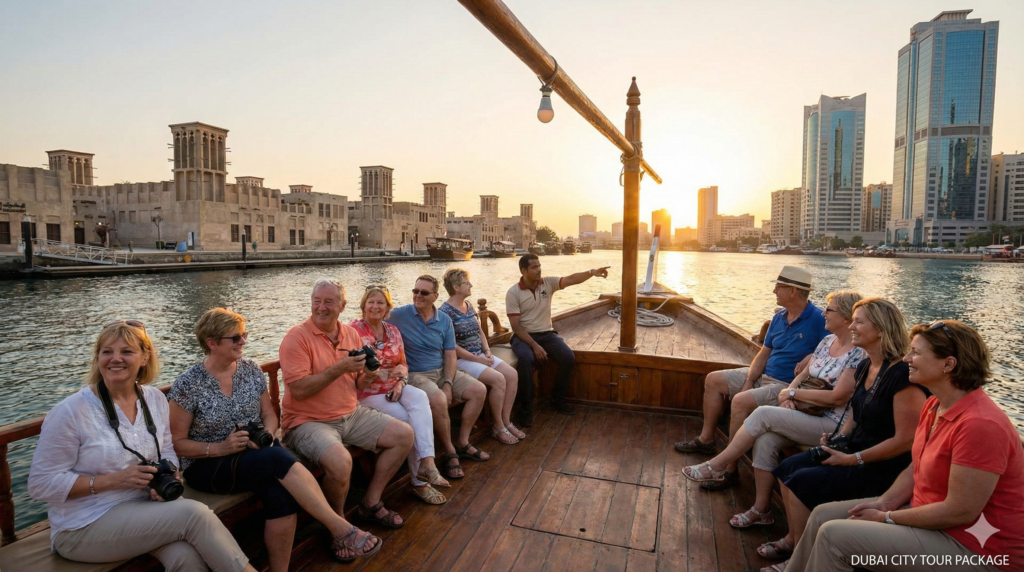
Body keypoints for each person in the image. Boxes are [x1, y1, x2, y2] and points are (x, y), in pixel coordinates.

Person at [785, 320, 1023, 572]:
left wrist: (887, 517)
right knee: (822, 515)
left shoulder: (980, 425)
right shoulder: (934, 405)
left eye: (916, 353)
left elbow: (959, 511)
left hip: (977, 551)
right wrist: (884, 503)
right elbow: (915, 467)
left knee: (834, 536)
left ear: (948, 364)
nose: (907, 358)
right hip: (929, 518)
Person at [28, 321, 256, 572]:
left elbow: (166, 448)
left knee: (186, 558)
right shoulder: (71, 411)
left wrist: (170, 474)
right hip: (83, 524)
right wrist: (116, 480)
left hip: (144, 508)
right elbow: (40, 484)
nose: (115, 359)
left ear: (144, 357)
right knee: (195, 515)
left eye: (126, 351)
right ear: (97, 358)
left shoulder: (155, 399)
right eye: (107, 352)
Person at [169, 308, 382, 568]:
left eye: (243, 335)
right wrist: (221, 447)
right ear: (212, 343)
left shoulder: (250, 370)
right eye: (234, 338)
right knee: (275, 458)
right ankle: (341, 528)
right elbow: (177, 443)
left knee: (281, 496)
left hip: (255, 454)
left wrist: (267, 434)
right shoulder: (188, 384)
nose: (243, 342)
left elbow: (269, 415)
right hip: (209, 464)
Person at [759, 298, 929, 570]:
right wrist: (838, 437)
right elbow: (854, 413)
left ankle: (801, 557)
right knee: (787, 467)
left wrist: (854, 458)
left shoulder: (901, 377)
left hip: (882, 465)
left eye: (859, 321)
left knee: (803, 481)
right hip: (852, 449)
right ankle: (795, 541)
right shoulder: (865, 366)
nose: (853, 326)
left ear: (881, 329)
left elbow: (906, 441)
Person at [682, 290, 866, 516]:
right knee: (766, 440)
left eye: (829, 310)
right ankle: (761, 510)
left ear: (846, 318)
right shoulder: (828, 341)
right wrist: (788, 393)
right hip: (806, 409)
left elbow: (839, 397)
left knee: (763, 415)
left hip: (831, 423)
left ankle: (719, 465)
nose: (824, 313)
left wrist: (792, 395)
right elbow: (803, 375)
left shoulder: (858, 353)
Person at [676, 265, 828, 491]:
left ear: (793, 291)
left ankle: (729, 470)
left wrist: (812, 355)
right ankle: (706, 440)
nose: (774, 291)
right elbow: (763, 353)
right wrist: (749, 379)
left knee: (740, 401)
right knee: (713, 379)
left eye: (778, 287)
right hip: (763, 376)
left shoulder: (818, 319)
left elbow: (837, 347)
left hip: (784, 385)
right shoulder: (778, 317)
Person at [279, 279, 414, 529]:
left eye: (329, 301)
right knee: (341, 462)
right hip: (307, 422)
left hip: (351, 414)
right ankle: (338, 525)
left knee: (404, 435)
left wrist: (368, 376)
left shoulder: (350, 334)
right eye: (316, 301)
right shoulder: (296, 338)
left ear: (342, 305)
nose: (321, 307)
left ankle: (370, 503)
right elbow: (298, 391)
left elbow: (359, 385)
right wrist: (339, 368)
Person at [349, 284, 449, 505]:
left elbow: (403, 364)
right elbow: (351, 372)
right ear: (363, 305)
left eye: (380, 303)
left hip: (395, 387)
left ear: (387, 308)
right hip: (366, 393)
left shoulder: (392, 330)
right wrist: (383, 375)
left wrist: (401, 383)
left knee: (420, 397)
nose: (375, 306)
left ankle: (428, 464)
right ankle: (420, 483)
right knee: (408, 421)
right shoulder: (353, 331)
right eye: (371, 302)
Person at [387, 275, 490, 481]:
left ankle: (462, 441)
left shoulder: (444, 320)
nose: (418, 296)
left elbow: (450, 355)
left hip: (442, 370)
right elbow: (373, 314)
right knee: (439, 399)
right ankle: (450, 452)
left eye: (424, 293)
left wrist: (448, 383)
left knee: (479, 390)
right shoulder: (399, 315)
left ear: (435, 296)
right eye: (415, 291)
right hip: (416, 374)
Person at [506, 254, 610, 426]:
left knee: (567, 357)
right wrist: (534, 346)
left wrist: (592, 272)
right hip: (523, 336)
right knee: (526, 359)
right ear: (523, 270)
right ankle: (526, 407)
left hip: (546, 333)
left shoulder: (548, 283)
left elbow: (571, 279)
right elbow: (516, 327)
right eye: (534, 267)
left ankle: (557, 399)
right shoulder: (513, 293)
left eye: (539, 265)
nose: (539, 269)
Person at [440, 268, 526, 445]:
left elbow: (479, 330)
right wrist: (478, 359)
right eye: (466, 282)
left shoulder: (469, 305)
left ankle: (507, 420)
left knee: (512, 375)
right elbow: (451, 347)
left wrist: (487, 351)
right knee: (499, 379)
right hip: (462, 360)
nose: (470, 285)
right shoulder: (444, 312)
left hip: (480, 354)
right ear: (456, 287)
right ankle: (498, 426)